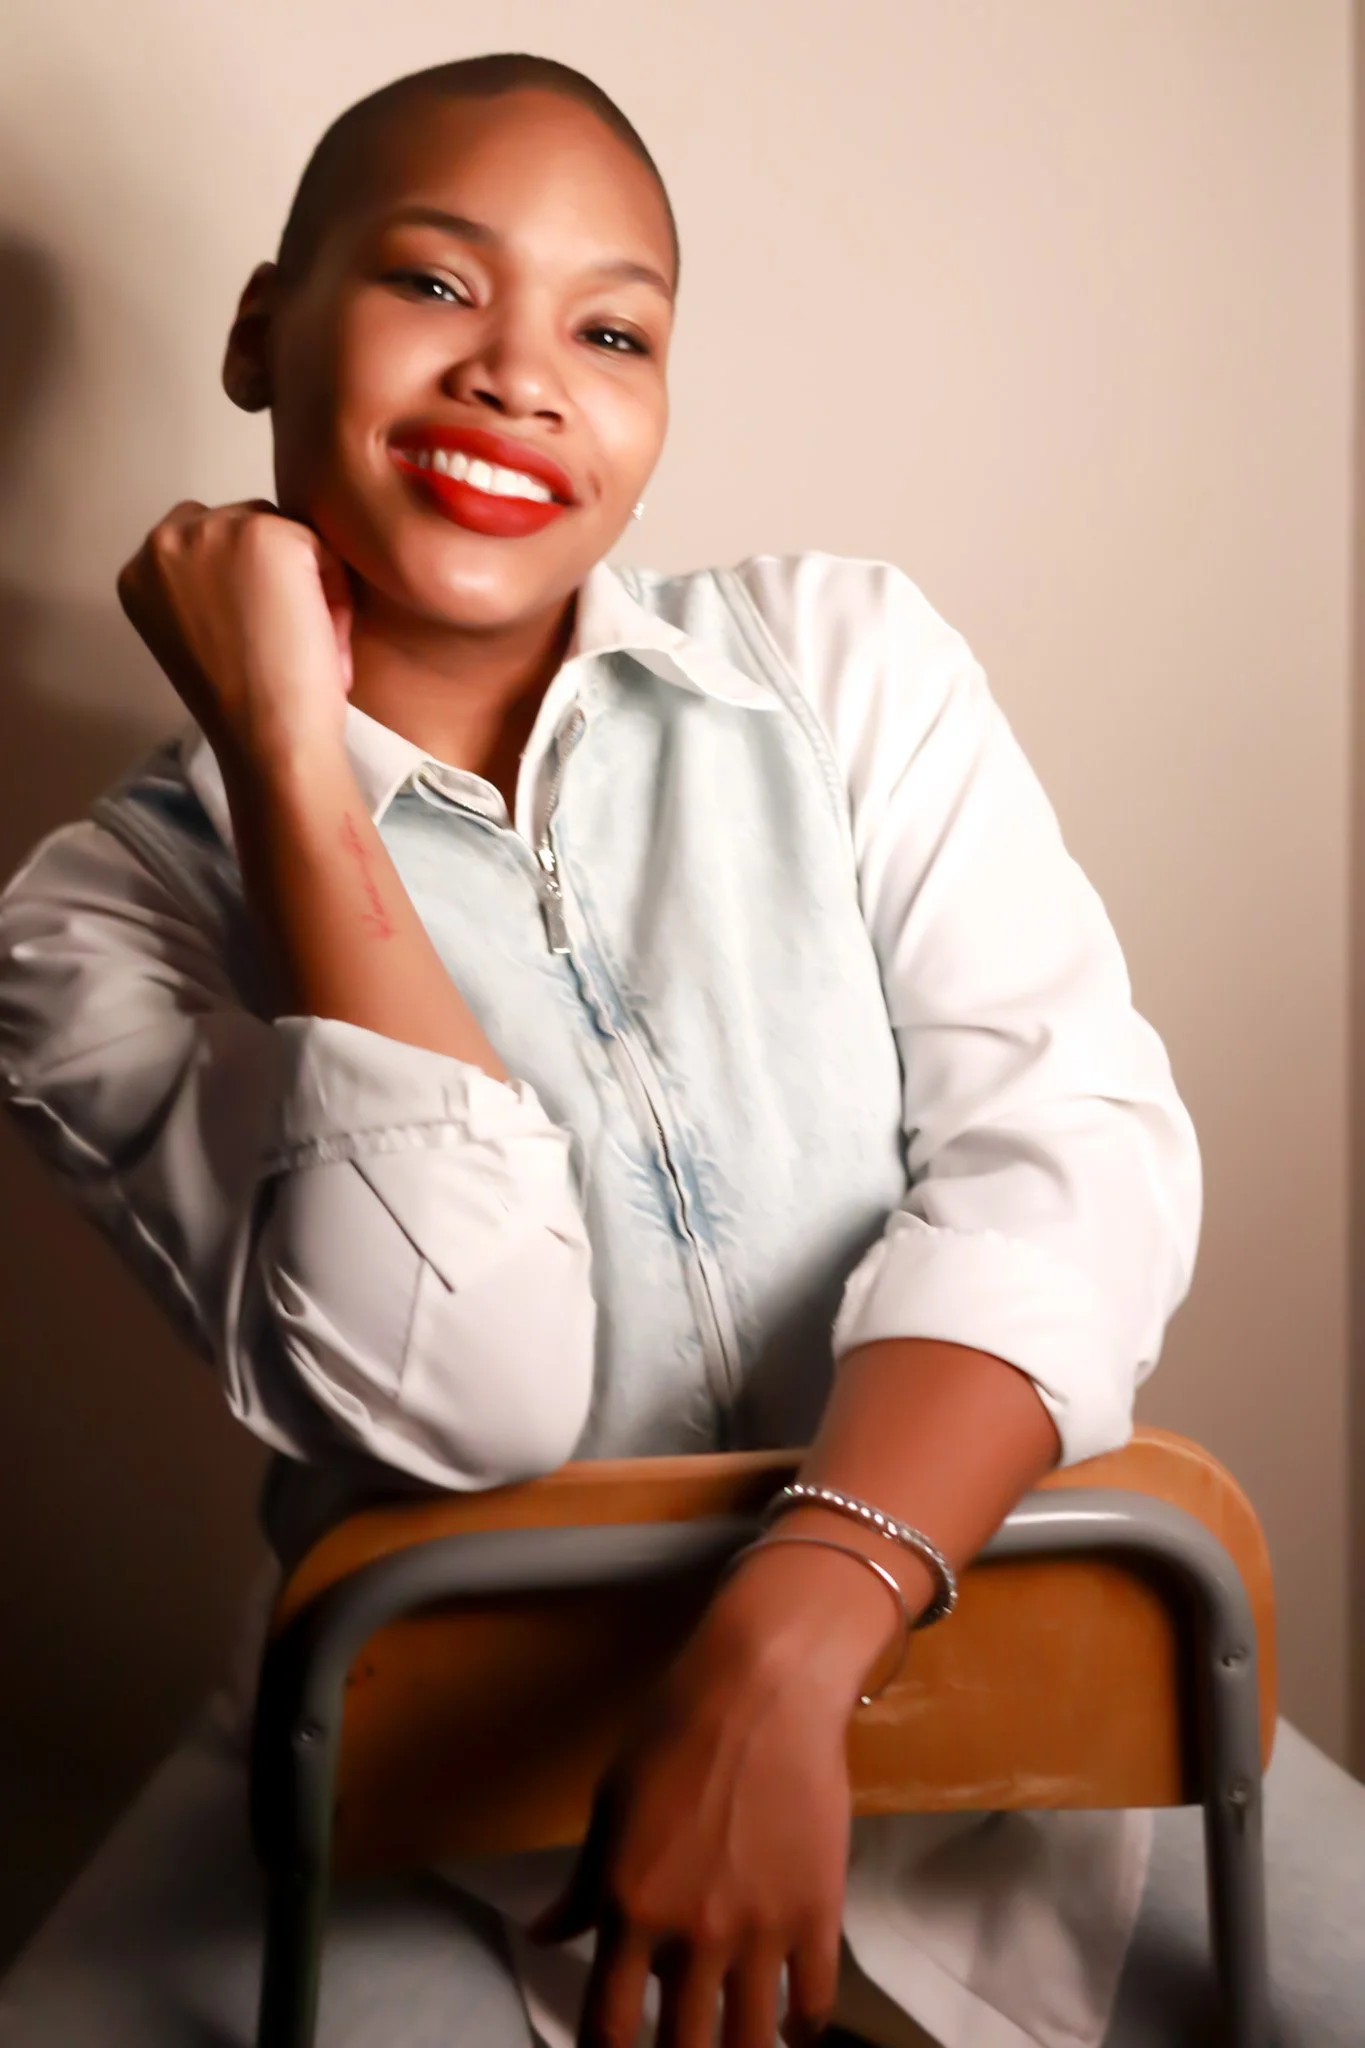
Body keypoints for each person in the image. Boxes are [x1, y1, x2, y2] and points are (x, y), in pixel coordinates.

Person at [0, 50, 1359, 2048]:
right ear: (260, 330)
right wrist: (291, 753)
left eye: (611, 326)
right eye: (438, 286)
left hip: (1025, 1755)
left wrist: (782, 1650)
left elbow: (1069, 1162)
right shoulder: (92, 923)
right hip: (442, 1822)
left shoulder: (839, 665)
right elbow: (462, 1387)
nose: (521, 377)